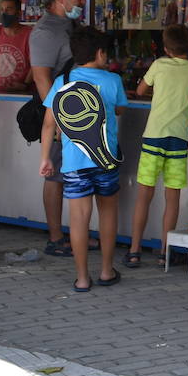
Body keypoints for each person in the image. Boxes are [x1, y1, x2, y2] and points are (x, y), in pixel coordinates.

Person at [39, 27, 128, 293]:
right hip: (106, 160)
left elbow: (47, 124)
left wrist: (45, 158)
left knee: (79, 218)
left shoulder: (62, 80)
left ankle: (81, 278)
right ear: (101, 53)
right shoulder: (113, 80)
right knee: (108, 212)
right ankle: (106, 270)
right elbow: (121, 109)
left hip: (74, 162)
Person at [126, 25, 188, 266]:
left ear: (165, 47)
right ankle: (164, 252)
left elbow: (140, 90)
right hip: (178, 140)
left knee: (144, 196)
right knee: (173, 198)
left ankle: (134, 250)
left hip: (154, 136)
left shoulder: (159, 65)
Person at [30, 0, 86, 257]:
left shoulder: (69, 24)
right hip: (62, 116)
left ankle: (76, 235)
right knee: (54, 176)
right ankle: (55, 237)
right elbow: (41, 78)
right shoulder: (46, 32)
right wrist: (58, 119)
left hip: (80, 112)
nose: (83, 1)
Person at [0, 0, 32, 93]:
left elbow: (36, 64)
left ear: (19, 13)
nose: (4, 13)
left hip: (22, 95)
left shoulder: (30, 34)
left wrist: (25, 85)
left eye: (8, 9)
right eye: (1, 10)